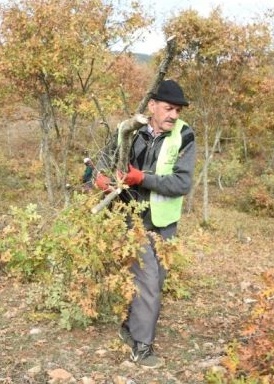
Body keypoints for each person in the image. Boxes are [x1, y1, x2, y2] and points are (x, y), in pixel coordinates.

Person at [95, 79, 196, 369]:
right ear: (151, 106)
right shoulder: (127, 130)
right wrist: (99, 180)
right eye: (168, 108)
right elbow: (100, 165)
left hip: (164, 223)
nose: (173, 115)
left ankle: (128, 327)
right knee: (148, 280)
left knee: (155, 281)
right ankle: (142, 346)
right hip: (130, 218)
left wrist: (142, 178)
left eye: (177, 110)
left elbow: (182, 182)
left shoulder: (184, 135)